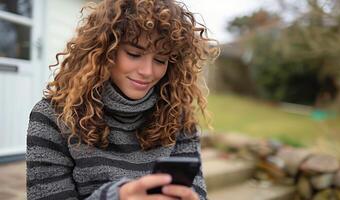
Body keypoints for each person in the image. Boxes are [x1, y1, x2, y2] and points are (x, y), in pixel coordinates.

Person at [26, 0, 218, 199]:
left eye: (161, 60)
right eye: (134, 54)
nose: (147, 72)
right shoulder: (52, 116)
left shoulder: (179, 118)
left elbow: (197, 192)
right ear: (104, 50)